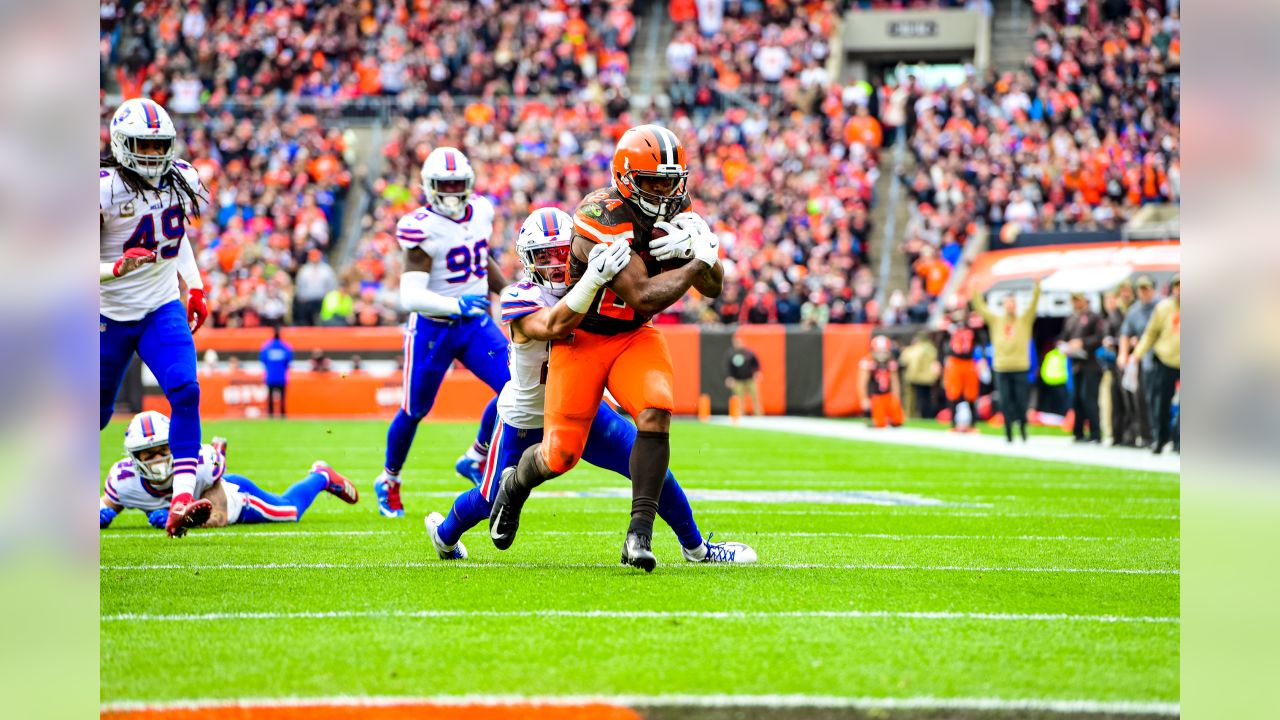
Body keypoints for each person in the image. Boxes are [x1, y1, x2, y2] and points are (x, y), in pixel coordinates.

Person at [424, 209, 754, 564]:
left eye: (561, 252)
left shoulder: (595, 281)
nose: (554, 264)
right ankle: (445, 536)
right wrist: (592, 282)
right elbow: (554, 324)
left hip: (584, 405)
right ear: (527, 260)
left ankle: (696, 548)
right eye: (543, 256)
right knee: (490, 498)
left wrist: (686, 250)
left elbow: (637, 298)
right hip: (528, 418)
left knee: (646, 465)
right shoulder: (520, 296)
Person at [490, 124, 725, 572]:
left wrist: (708, 255)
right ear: (626, 177)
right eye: (654, 181)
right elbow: (642, 294)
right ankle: (516, 481)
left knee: (656, 410)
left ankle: (639, 536)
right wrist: (697, 261)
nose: (665, 190)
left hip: (635, 335)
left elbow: (713, 288)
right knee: (559, 455)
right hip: (585, 338)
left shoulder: (678, 207)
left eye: (671, 180)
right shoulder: (601, 214)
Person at [374, 147, 510, 518]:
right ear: (429, 187)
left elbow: (481, 259)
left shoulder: (481, 210)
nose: (451, 192)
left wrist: (509, 292)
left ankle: (476, 455)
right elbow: (410, 295)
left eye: (457, 184)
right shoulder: (420, 226)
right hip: (433, 327)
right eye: (443, 185)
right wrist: (456, 305)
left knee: (517, 389)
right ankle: (389, 479)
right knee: (415, 408)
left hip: (475, 323)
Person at [100, 97, 212, 537]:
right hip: (106, 313)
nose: (153, 155)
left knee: (185, 390)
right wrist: (116, 268)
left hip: (160, 307)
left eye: (159, 145)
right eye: (143, 147)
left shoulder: (182, 178)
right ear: (123, 144)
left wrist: (195, 284)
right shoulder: (103, 188)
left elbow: (174, 235)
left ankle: (181, 498)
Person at [99, 412, 358, 533]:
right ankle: (219, 448)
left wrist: (175, 517)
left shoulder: (197, 465)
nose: (158, 459)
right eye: (149, 454)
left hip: (236, 500)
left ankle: (321, 476)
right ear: (135, 459)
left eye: (163, 449)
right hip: (209, 491)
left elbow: (218, 515)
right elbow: (108, 506)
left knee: (289, 510)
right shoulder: (124, 480)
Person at [972, 280, 1041, 442]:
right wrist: (974, 289)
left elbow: (1033, 304)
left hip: (1020, 366)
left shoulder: (1023, 320)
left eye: (1012, 303)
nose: (1010, 306)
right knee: (1005, 400)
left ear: (1015, 305)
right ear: (1004, 305)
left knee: (1021, 400)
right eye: (1007, 303)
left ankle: (1023, 428)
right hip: (1001, 367)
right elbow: (980, 307)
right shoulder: (996, 321)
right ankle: (1009, 431)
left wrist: (1037, 286)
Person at [1130, 274, 1180, 453]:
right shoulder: (1164, 308)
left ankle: (1179, 441)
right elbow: (1150, 333)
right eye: (1177, 286)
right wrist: (1137, 354)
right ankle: (1160, 439)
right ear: (1172, 288)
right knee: (1161, 403)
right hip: (1165, 360)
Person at [1116, 275, 1159, 447]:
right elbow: (1125, 333)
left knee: (1159, 398)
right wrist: (1123, 354)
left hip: (1163, 358)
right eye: (1140, 289)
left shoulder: (1161, 307)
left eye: (1146, 288)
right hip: (1143, 360)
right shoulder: (1134, 311)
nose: (1143, 292)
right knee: (1142, 399)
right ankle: (1147, 435)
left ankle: (1163, 435)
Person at [1058, 292, 1105, 443]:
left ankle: (1095, 433)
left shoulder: (1094, 317)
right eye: (1074, 300)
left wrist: (1082, 343)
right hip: (1076, 364)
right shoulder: (1071, 318)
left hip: (1091, 364)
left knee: (1089, 399)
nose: (1076, 303)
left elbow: (1099, 338)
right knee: (1076, 398)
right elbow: (1063, 337)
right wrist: (1063, 346)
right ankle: (1078, 432)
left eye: (1078, 300)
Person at [942, 307, 981, 431]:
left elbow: (980, 341)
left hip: (969, 362)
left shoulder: (972, 325)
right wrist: (939, 361)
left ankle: (973, 424)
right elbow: (941, 343)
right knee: (953, 393)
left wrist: (982, 359)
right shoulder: (949, 327)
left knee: (971, 393)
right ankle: (953, 424)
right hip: (954, 362)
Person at [858, 336, 904, 428]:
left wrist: (896, 398)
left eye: (884, 351)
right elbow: (862, 383)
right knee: (880, 423)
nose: (882, 354)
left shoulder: (890, 362)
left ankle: (890, 417)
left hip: (888, 396)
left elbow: (895, 382)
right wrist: (864, 399)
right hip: (875, 397)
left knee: (898, 421)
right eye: (879, 351)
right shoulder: (868, 361)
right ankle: (872, 418)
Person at [899, 332, 941, 419]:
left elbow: (905, 362)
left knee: (913, 399)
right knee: (927, 398)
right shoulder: (932, 348)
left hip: (915, 377)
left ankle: (912, 415)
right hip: (929, 378)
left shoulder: (913, 349)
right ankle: (927, 416)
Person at [723, 334, 763, 417]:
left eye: (739, 342)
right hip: (738, 380)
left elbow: (756, 363)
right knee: (739, 399)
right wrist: (729, 378)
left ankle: (758, 415)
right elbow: (727, 367)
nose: (738, 343)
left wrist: (757, 372)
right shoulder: (731, 354)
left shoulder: (748, 352)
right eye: (736, 342)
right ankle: (741, 415)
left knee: (755, 397)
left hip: (750, 379)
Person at [259, 326, 293, 418]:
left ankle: (270, 414)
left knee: (270, 396)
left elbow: (263, 360)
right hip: (281, 377)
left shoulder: (267, 346)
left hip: (270, 376)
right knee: (282, 397)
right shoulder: (285, 347)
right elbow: (289, 361)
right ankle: (282, 414)